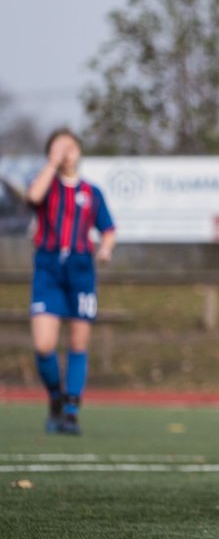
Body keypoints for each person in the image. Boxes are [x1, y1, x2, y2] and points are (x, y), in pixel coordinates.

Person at [26, 128, 116, 435]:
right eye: (59, 147)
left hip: (80, 270)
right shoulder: (47, 187)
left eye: (71, 146)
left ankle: (71, 411)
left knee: (78, 342)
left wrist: (105, 248)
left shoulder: (92, 192)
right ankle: (55, 397)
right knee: (43, 344)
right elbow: (32, 196)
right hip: (49, 267)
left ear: (80, 151)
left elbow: (109, 228)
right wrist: (51, 163)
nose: (66, 151)